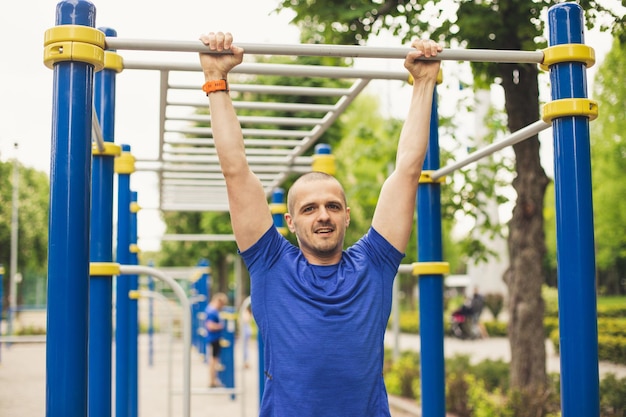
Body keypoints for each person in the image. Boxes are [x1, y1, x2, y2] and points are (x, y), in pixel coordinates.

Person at [199, 32, 442, 417]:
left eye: (332, 206)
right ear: (290, 222)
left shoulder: (375, 263)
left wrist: (424, 81)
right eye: (310, 209)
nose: (323, 215)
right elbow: (236, 171)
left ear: (347, 215)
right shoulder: (270, 264)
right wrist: (216, 81)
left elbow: (408, 171)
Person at [205, 292, 228, 387]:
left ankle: (213, 380)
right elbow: (209, 325)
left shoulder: (210, 309)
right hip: (214, 338)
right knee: (213, 361)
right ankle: (212, 381)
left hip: (213, 338)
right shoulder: (212, 311)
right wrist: (220, 326)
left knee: (214, 360)